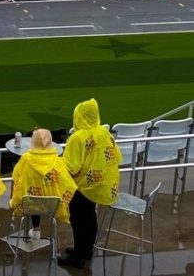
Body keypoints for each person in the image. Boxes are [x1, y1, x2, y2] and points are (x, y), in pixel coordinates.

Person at [58, 99, 121, 268]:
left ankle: (80, 255)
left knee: (78, 219)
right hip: (103, 186)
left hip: (84, 188)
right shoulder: (104, 132)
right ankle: (86, 250)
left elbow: (71, 166)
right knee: (90, 216)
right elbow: (117, 156)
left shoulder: (77, 138)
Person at [10, 129, 76, 241]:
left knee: (33, 200)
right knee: (38, 200)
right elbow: (69, 184)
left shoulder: (26, 159)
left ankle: (36, 229)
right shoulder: (57, 160)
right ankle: (37, 229)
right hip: (52, 207)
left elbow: (16, 178)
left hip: (28, 204)